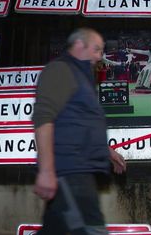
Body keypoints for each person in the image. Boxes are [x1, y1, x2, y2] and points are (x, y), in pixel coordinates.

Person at [32, 28, 127, 235]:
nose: (99, 56)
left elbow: (83, 124)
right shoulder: (60, 70)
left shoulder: (81, 77)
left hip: (79, 170)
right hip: (70, 171)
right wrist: (47, 171)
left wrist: (108, 152)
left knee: (59, 228)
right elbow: (43, 118)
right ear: (78, 45)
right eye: (96, 49)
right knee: (91, 229)